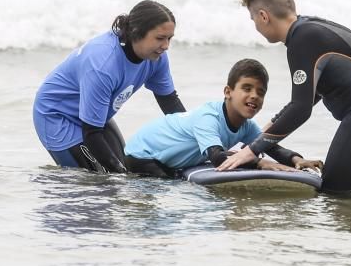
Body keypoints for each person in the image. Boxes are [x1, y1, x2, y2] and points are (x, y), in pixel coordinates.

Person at [217, 0, 351, 193]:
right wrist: (265, 132)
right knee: (349, 192)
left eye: (253, 20)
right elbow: (310, 95)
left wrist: (251, 150)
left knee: (332, 191)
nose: (256, 27)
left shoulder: (302, 41)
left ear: (263, 16)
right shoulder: (308, 30)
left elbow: (301, 108)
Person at [33, 0, 185, 173]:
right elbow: (92, 133)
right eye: (160, 38)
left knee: (127, 170)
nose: (166, 46)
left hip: (95, 116)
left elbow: (170, 103)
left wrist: (199, 139)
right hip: (58, 117)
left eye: (169, 38)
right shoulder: (103, 64)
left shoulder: (157, 58)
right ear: (136, 32)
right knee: (104, 183)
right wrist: (118, 174)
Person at [124, 59, 322, 177]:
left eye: (260, 92)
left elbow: (271, 146)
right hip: (142, 155)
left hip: (163, 158)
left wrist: (297, 159)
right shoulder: (208, 117)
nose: (254, 95)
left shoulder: (247, 126)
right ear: (228, 92)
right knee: (167, 184)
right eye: (247, 88)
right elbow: (218, 158)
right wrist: (260, 163)